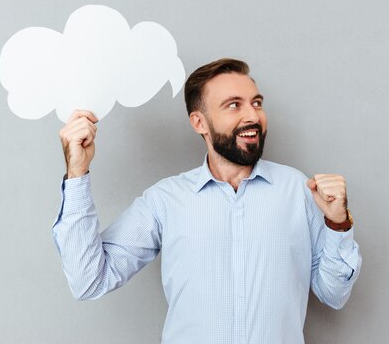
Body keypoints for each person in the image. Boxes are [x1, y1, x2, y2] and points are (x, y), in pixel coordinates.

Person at [53, 58, 362, 344]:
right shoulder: (165, 201)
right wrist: (77, 172)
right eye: (233, 105)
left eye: (256, 103)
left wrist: (338, 224)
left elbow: (334, 295)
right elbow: (89, 281)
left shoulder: (299, 189)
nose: (252, 116)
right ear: (199, 122)